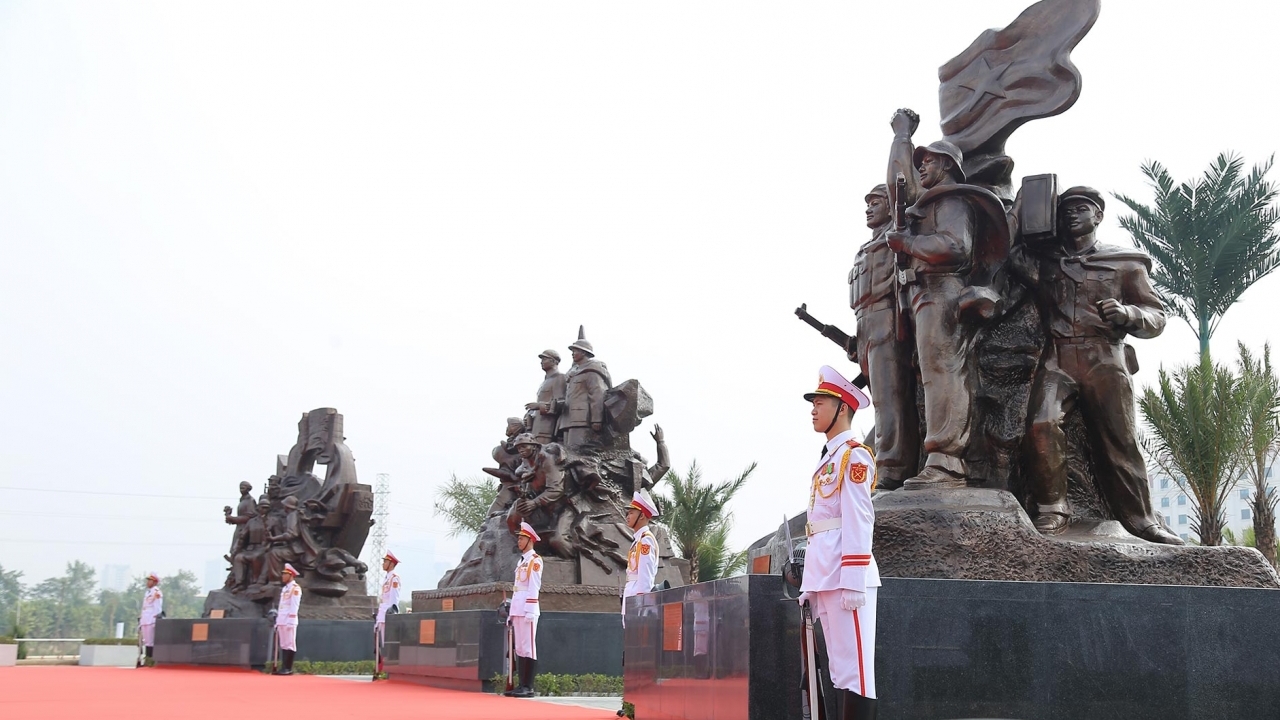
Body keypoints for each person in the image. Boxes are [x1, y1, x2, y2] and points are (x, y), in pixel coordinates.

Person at [1010, 186, 1182, 544]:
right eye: (1066, 209)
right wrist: (1022, 206)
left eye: (1082, 208)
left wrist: (1128, 313)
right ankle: (1053, 509)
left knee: (1119, 438)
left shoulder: (1125, 262)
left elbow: (1157, 316)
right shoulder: (1045, 261)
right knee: (1041, 423)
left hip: (1105, 356)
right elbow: (1006, 254)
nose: (1072, 214)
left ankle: (1141, 519)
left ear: (1098, 216)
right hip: (1057, 357)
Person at [799, 365, 880, 719]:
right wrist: (810, 584)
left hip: (848, 580)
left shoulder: (853, 456)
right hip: (826, 576)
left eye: (821, 401)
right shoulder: (829, 459)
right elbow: (821, 528)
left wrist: (853, 581)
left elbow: (859, 519)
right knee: (840, 673)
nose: (814, 409)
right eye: (814, 402)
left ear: (842, 407)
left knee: (857, 673)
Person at [850, 183, 920, 490]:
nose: (868, 207)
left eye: (875, 202)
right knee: (881, 400)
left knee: (891, 400)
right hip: (866, 325)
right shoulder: (864, 249)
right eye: (867, 203)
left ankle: (892, 468)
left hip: (890, 319)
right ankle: (887, 463)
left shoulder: (897, 238)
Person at [506, 522, 543, 698]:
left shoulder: (534, 561)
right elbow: (517, 588)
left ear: (529, 540)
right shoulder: (521, 562)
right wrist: (512, 613)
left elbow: (533, 587)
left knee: (529, 648)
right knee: (520, 648)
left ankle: (528, 686)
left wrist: (529, 609)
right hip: (518, 608)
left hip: (528, 609)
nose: (518, 541)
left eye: (521, 538)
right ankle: (521, 685)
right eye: (519, 538)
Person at [561, 327, 612, 451]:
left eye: (575, 351)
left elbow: (597, 395)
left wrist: (596, 420)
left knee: (577, 452)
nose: (572, 353)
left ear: (584, 352)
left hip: (583, 419)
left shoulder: (592, 370)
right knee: (568, 453)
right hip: (569, 419)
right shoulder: (574, 372)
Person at [622, 490, 659, 626]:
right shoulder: (638, 540)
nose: (628, 516)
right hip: (631, 595)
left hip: (638, 601)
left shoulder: (646, 541)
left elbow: (645, 577)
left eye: (632, 513)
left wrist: (641, 607)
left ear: (642, 516)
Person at [526, 350, 568, 444]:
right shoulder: (546, 381)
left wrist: (539, 406)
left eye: (545, 359)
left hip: (548, 427)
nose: (542, 362)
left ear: (554, 361)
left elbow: (561, 402)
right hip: (537, 426)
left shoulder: (560, 378)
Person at [274, 563, 302, 675]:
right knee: (283, 644)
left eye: (285, 574)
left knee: (290, 644)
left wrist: (291, 620)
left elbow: (294, 605)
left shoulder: (295, 589)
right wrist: (278, 620)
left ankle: (288, 668)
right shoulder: (285, 588)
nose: (283, 576)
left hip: (289, 620)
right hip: (282, 619)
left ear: (291, 575)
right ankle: (283, 667)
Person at [375, 551, 401, 662]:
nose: (383, 563)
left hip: (387, 614)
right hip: (382, 613)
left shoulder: (394, 578)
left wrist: (392, 611)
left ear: (391, 564)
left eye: (385, 561)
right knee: (379, 642)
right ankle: (380, 665)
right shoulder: (387, 578)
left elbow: (394, 597)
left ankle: (387, 664)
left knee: (386, 642)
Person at [138, 572, 163, 663]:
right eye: (148, 580)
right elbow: (145, 607)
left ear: (155, 582)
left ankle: (151, 659)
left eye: (150, 581)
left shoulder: (156, 592)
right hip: (145, 618)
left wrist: (154, 618)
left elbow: (157, 606)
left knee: (151, 641)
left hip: (151, 619)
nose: (148, 582)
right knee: (146, 641)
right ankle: (147, 659)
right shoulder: (148, 592)